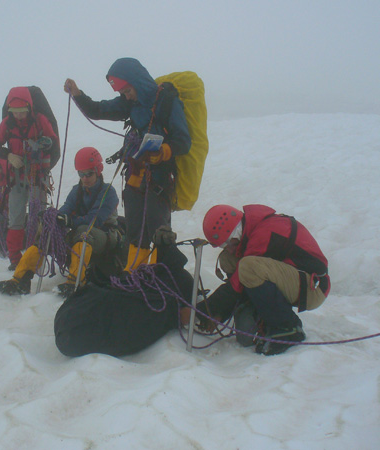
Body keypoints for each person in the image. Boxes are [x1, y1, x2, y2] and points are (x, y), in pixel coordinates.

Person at [64, 57, 191, 272]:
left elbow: (183, 141)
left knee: (158, 228)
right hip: (135, 174)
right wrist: (77, 94)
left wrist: (163, 152)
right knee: (134, 229)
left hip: (159, 177)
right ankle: (134, 274)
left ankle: (161, 276)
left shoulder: (168, 102)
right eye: (122, 93)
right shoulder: (130, 104)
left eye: (128, 90)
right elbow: (98, 110)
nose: (126, 96)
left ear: (138, 82)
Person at [191, 204, 331, 356]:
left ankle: (288, 328)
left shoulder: (266, 231)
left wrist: (203, 312)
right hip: (296, 278)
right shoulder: (253, 229)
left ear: (235, 234)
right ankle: (258, 308)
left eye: (227, 243)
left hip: (312, 286)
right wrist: (219, 314)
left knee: (247, 266)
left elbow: (237, 282)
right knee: (228, 259)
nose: (228, 248)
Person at [0, 147, 121, 297]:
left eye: (89, 174)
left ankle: (75, 281)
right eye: (81, 174)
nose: (85, 178)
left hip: (107, 235)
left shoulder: (108, 192)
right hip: (83, 234)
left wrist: (68, 221)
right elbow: (66, 209)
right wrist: (53, 217)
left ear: (98, 170)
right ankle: (20, 279)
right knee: (47, 231)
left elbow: (95, 219)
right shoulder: (77, 190)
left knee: (83, 231)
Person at [54, 226, 194, 357]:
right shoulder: (158, 302)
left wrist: (174, 315)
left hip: (72, 323)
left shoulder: (160, 300)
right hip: (76, 326)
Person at [0, 86, 59, 270]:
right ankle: (15, 259)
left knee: (39, 216)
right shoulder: (7, 123)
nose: (19, 116)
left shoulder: (40, 120)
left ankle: (36, 253)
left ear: (29, 108)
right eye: (15, 112)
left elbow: (52, 140)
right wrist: (9, 156)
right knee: (16, 218)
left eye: (22, 112)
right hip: (16, 178)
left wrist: (43, 146)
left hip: (37, 176)